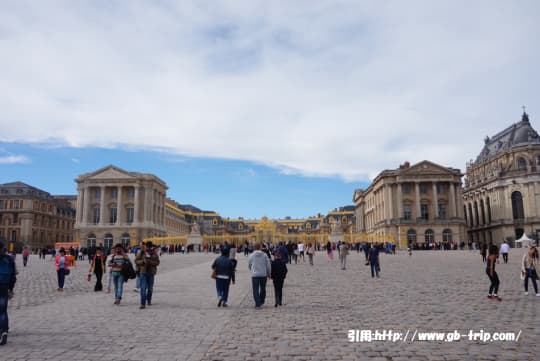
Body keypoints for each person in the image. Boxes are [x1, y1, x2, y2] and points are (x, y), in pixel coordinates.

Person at [135, 242, 160, 309]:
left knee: (150, 289)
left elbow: (157, 262)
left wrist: (150, 262)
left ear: (151, 247)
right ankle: (142, 303)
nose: (148, 248)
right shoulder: (141, 253)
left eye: (149, 246)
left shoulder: (154, 254)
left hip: (151, 273)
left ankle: (148, 300)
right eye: (147, 246)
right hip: (143, 272)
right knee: (143, 288)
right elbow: (136, 261)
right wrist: (143, 261)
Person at [0, 242, 16, 346]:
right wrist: (11, 289)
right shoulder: (9, 259)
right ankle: (4, 331)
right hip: (4, 286)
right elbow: (13, 276)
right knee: (2, 310)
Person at [248, 243, 271, 308]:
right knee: (263, 288)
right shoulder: (264, 255)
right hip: (263, 274)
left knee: (255, 289)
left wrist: (251, 269)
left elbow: (249, 265)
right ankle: (261, 301)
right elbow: (268, 265)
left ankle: (257, 303)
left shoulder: (251, 255)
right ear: (260, 247)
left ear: (254, 248)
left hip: (255, 275)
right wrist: (269, 273)